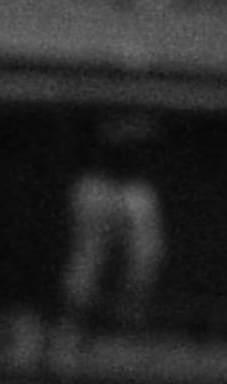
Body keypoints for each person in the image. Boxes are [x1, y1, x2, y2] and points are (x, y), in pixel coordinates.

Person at [56, 109, 166, 354]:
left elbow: (149, 135)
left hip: (134, 186)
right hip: (95, 182)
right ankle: (73, 330)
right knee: (88, 258)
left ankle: (127, 332)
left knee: (145, 257)